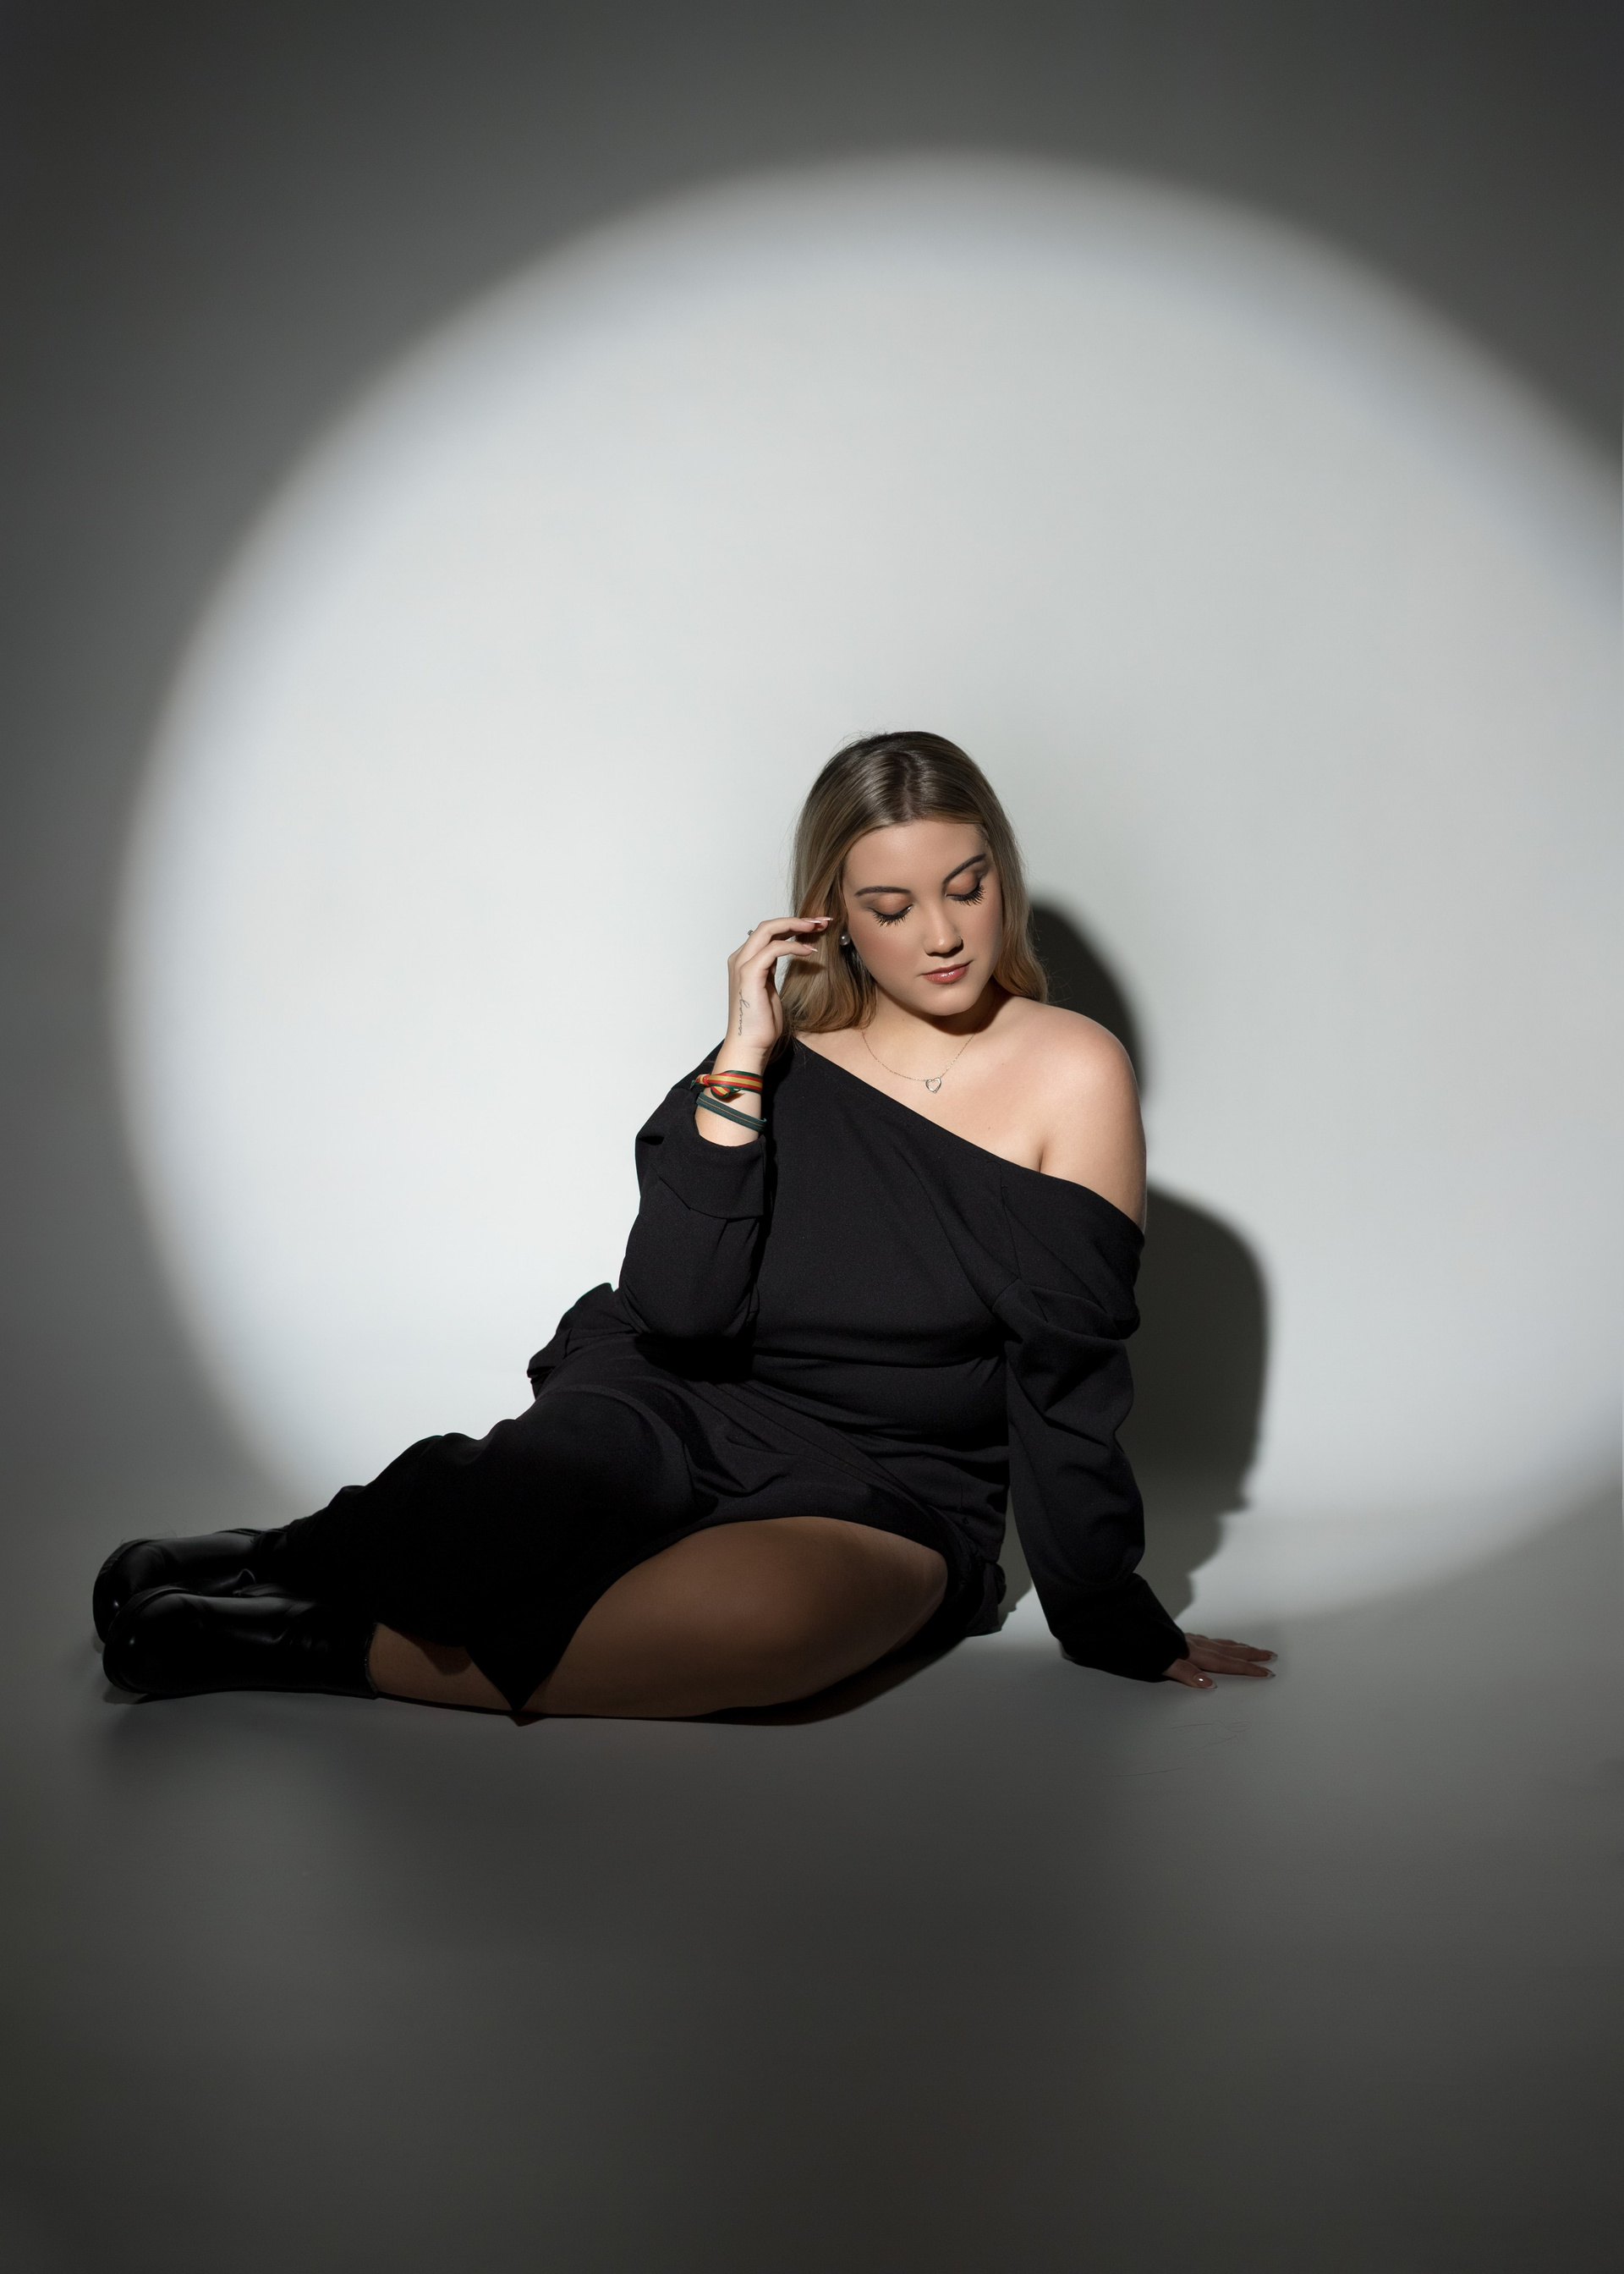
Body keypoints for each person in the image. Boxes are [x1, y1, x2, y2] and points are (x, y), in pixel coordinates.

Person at [96, 731, 1273, 1715]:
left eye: (967, 887)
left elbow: (1067, 1384)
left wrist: (1106, 1613)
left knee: (766, 1620)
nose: (943, 934)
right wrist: (744, 1062)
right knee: (537, 1492)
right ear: (832, 917)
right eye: (892, 905)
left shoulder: (1072, 1070)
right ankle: (282, 1556)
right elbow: (678, 1311)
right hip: (687, 1398)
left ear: (1000, 878)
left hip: (897, 1482)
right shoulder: (777, 1064)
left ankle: (298, 1643)